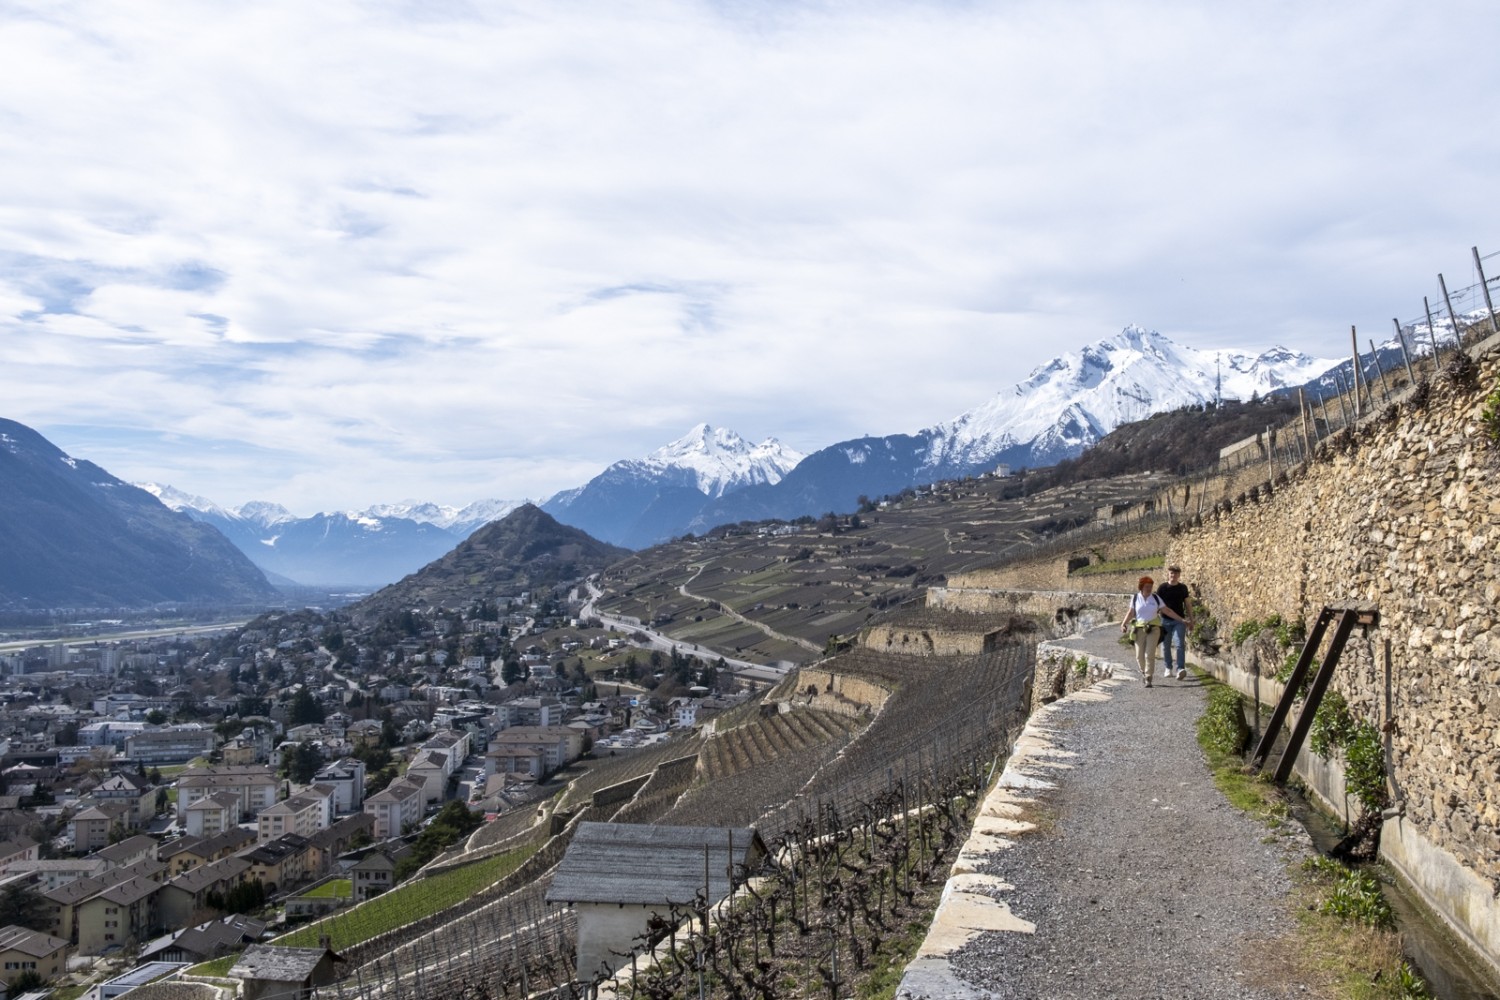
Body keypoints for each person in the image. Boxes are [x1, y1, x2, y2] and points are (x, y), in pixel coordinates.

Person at [1119, 575, 1185, 687]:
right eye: (1147, 587)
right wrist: (1123, 623)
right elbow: (1131, 612)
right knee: (1139, 656)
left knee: (1149, 654)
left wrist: (1181, 620)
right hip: (1139, 629)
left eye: (1150, 586)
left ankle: (1149, 677)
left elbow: (1167, 611)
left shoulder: (1155, 598)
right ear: (1141, 587)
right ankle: (1144, 673)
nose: (1149, 589)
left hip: (1153, 629)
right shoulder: (1135, 598)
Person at [1156, 566, 1193, 680]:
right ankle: (1168, 667)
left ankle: (1180, 669)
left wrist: (1191, 618)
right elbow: (1157, 604)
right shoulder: (1162, 588)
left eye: (1176, 574)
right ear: (1168, 574)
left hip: (1179, 621)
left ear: (1179, 575)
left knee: (1179, 644)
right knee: (1166, 645)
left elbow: (1187, 604)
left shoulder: (1183, 588)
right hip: (1165, 620)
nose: (1173, 575)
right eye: (1172, 573)